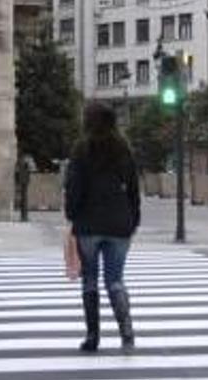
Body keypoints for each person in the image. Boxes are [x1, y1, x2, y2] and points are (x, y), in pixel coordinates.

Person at [65, 103, 141, 353]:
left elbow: (73, 187)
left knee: (90, 280)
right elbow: (133, 189)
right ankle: (127, 334)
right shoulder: (124, 149)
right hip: (120, 224)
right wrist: (133, 219)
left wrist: (71, 214)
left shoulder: (81, 149)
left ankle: (92, 337)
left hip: (88, 224)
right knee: (116, 280)